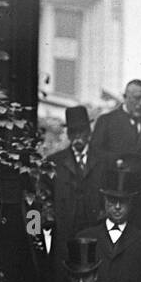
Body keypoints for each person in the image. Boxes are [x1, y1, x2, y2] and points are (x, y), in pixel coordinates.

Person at [90, 79, 141, 237]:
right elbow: (95, 153)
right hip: (117, 193)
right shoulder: (107, 121)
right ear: (125, 97)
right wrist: (116, 161)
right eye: (137, 98)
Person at [47, 105, 103, 259]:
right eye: (73, 131)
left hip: (95, 232)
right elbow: (44, 199)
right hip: (65, 234)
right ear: (68, 134)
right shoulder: (54, 162)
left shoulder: (103, 161)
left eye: (82, 131)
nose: (78, 136)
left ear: (89, 132)